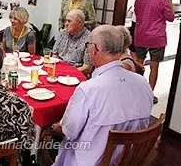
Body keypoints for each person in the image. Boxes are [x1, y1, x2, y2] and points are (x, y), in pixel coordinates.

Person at [51, 25, 153, 166]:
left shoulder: (88, 89)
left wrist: (55, 127)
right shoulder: (143, 83)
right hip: (128, 160)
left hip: (88, 161)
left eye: (88, 45)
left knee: (50, 136)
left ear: (95, 49)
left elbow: (69, 131)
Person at [134, 0, 174, 104]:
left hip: (141, 35)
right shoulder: (161, 0)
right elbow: (171, 17)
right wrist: (170, 4)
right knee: (154, 66)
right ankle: (149, 94)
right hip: (157, 37)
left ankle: (137, 91)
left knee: (139, 64)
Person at [53, 9, 91, 73]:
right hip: (58, 69)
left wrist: (68, 72)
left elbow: (87, 67)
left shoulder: (89, 38)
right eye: (66, 21)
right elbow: (54, 54)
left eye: (69, 21)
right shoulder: (63, 33)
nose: (66, 24)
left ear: (79, 23)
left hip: (75, 73)